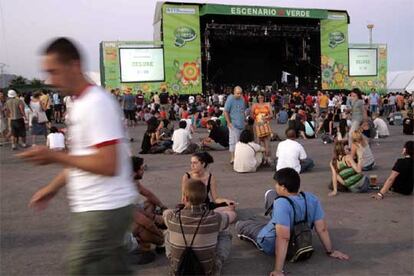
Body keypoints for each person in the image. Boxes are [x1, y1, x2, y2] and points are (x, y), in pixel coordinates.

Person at [18, 37, 138, 275]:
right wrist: (52, 188)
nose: (50, 80)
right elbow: (82, 157)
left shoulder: (96, 103)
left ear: (74, 66)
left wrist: (55, 157)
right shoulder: (82, 103)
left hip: (103, 211)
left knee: (79, 268)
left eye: (54, 71)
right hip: (98, 210)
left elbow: (108, 163)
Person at [236, 168, 349, 276]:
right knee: (269, 197)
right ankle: (273, 221)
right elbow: (322, 228)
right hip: (299, 238)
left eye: (277, 184)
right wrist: (330, 251)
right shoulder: (311, 198)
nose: (275, 186)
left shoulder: (281, 203)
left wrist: (278, 270)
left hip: (270, 240)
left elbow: (283, 237)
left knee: (242, 225)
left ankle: (250, 225)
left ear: (283, 188)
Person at [164, 179, 237, 275]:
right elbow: (232, 215)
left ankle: (175, 263)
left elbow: (165, 213)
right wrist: (227, 209)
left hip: (179, 271)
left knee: (168, 231)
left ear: (185, 198)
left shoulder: (171, 216)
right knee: (224, 232)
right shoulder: (215, 218)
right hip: (206, 273)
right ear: (204, 198)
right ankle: (216, 265)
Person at [130, 156, 167, 264]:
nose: (143, 170)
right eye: (141, 169)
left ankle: (148, 239)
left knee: (150, 203)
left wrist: (162, 206)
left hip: (130, 215)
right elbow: (146, 223)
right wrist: (161, 236)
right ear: (133, 172)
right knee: (143, 228)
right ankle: (157, 242)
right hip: (120, 228)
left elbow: (148, 194)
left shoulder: (133, 181)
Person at [224, 86, 246, 164]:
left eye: (240, 93)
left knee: (241, 142)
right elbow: (225, 111)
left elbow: (243, 110)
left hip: (241, 123)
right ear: (234, 92)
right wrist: (229, 122)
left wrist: (245, 120)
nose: (239, 95)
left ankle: (239, 157)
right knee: (233, 141)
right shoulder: (230, 99)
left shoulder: (242, 99)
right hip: (233, 124)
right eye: (237, 93)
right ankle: (233, 158)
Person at [251, 92, 273, 164]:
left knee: (267, 141)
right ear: (257, 98)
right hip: (257, 124)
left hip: (265, 124)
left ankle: (267, 158)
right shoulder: (254, 105)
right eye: (259, 98)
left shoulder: (268, 104)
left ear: (264, 98)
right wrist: (256, 118)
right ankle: (260, 159)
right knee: (258, 142)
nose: (260, 99)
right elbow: (251, 115)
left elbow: (271, 115)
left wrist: (266, 117)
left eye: (262, 97)